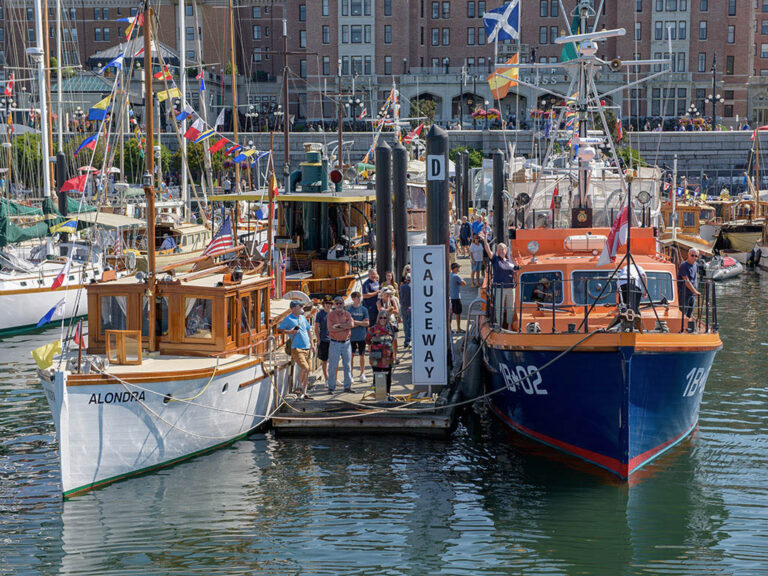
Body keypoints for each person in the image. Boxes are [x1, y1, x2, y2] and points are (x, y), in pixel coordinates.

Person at [278, 300, 314, 399]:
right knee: (306, 368)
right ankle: (301, 388)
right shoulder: (288, 319)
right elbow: (279, 329)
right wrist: (289, 331)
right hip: (297, 348)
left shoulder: (302, 318)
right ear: (294, 308)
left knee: (306, 369)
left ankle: (303, 390)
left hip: (307, 347)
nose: (302, 307)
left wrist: (312, 344)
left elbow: (308, 330)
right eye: (300, 306)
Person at [481, 231, 517, 327]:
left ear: (506, 250)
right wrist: (485, 241)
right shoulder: (495, 259)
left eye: (503, 249)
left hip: (510, 287)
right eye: (499, 249)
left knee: (511, 307)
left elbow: (514, 272)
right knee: (499, 307)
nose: (501, 251)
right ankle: (499, 325)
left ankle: (509, 325)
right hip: (499, 288)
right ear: (497, 251)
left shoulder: (510, 261)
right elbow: (488, 251)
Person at [326, 296, 355, 393]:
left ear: (343, 304)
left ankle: (347, 387)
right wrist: (345, 326)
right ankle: (331, 387)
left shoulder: (347, 314)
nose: (339, 305)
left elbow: (351, 325)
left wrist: (338, 326)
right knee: (332, 366)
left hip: (347, 343)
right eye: (337, 303)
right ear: (334, 304)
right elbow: (330, 328)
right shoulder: (330, 315)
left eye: (340, 303)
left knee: (347, 365)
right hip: (335, 343)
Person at [367, 310, 395, 397]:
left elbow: (393, 341)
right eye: (381, 317)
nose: (382, 319)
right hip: (376, 356)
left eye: (384, 317)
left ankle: (387, 393)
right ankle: (377, 393)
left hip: (387, 356)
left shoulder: (391, 329)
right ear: (378, 318)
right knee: (376, 374)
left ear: (387, 319)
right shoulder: (372, 329)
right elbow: (367, 340)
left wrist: (394, 355)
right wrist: (373, 349)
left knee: (388, 375)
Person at [348, 291, 370, 382]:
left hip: (362, 336)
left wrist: (356, 322)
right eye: (357, 297)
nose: (359, 299)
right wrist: (361, 322)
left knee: (362, 355)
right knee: (351, 356)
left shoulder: (364, 309)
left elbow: (367, 323)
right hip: (352, 337)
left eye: (360, 297)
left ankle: (362, 373)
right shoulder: (349, 310)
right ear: (353, 299)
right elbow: (349, 324)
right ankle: (351, 374)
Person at [678, 248, 701, 333]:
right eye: (692, 255)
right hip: (684, 293)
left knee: (689, 312)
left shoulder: (696, 265)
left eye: (696, 256)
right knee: (683, 313)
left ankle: (687, 329)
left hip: (692, 294)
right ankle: (681, 329)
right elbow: (686, 280)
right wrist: (695, 291)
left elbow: (695, 277)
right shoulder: (683, 266)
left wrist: (695, 291)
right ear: (688, 255)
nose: (694, 257)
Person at [377, 287, 400, 363]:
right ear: (382, 294)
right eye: (387, 294)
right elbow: (380, 311)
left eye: (389, 293)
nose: (388, 295)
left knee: (394, 340)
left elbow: (397, 311)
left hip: (392, 322)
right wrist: (389, 310)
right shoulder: (379, 302)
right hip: (383, 323)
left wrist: (387, 310)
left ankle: (395, 356)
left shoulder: (392, 300)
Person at [314, 296, 332, 382]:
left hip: (333, 340)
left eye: (329, 303)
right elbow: (316, 327)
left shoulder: (334, 313)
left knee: (333, 361)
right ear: (324, 304)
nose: (328, 305)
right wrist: (318, 339)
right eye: (326, 303)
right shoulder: (320, 314)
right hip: (324, 339)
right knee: (324, 361)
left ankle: (333, 378)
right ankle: (327, 379)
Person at [449, 262, 466, 333]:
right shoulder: (456, 276)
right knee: (458, 313)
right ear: (455, 268)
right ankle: (458, 329)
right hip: (456, 297)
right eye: (458, 267)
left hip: (450, 297)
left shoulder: (449, 275)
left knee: (450, 313)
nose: (459, 268)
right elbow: (464, 283)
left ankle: (449, 329)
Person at [399, 273, 412, 348]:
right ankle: (407, 341)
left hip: (403, 307)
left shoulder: (402, 287)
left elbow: (401, 296)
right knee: (409, 325)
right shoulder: (412, 287)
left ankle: (407, 339)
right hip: (410, 307)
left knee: (405, 324)